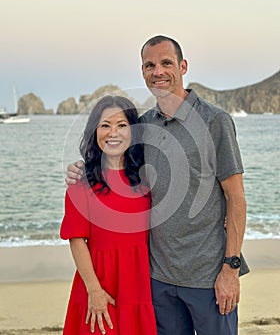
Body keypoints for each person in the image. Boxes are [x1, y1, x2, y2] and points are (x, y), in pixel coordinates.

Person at [65, 35, 249, 335]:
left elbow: (236, 198)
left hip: (207, 277)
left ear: (183, 66)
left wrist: (231, 268)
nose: (158, 71)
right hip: (157, 280)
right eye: (150, 65)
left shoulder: (215, 121)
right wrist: (82, 170)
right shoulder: (144, 127)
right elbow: (117, 164)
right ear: (142, 72)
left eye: (166, 63)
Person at [60, 95, 158, 335]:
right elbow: (76, 240)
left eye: (122, 125)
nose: (113, 133)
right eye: (105, 125)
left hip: (140, 285)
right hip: (99, 285)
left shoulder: (146, 178)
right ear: (95, 131)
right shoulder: (81, 181)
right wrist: (94, 291)